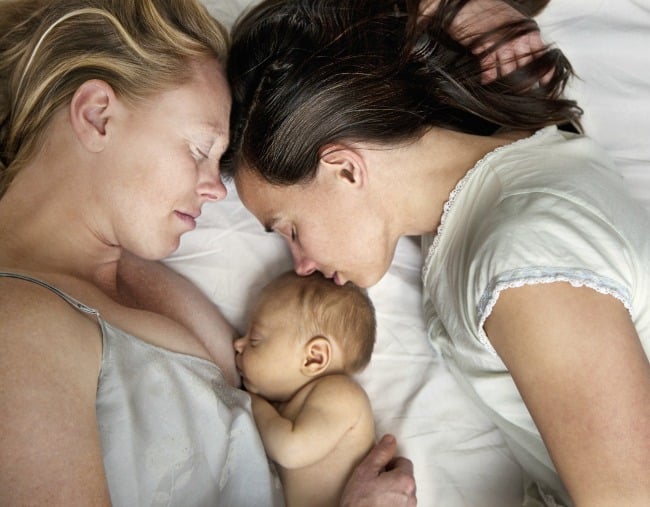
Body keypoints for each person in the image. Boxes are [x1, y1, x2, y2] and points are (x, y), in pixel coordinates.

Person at [221, 0, 650, 505]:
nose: (301, 265)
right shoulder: (495, 168)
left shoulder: (522, 263)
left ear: (345, 170)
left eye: (290, 228)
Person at [0, 0, 416, 505]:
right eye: (200, 149)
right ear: (97, 115)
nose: (217, 192)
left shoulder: (129, 282)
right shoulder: (16, 329)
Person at [234, 270, 376, 507]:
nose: (238, 344)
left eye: (255, 339)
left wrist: (251, 403)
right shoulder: (292, 405)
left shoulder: (342, 395)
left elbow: (291, 449)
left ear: (314, 359)